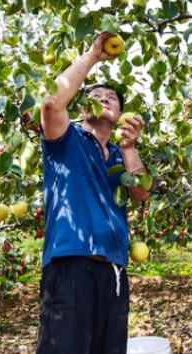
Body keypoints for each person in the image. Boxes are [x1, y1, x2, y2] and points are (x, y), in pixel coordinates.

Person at [36, 32, 150, 354]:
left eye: (112, 97)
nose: (105, 98)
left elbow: (142, 193)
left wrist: (129, 147)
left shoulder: (119, 156)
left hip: (114, 273)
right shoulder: (66, 140)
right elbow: (51, 102)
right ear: (83, 108)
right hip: (71, 267)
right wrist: (92, 56)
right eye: (96, 95)